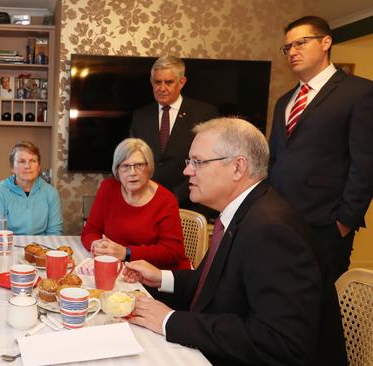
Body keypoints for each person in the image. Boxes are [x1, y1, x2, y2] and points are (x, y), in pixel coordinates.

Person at [124, 118, 347, 365]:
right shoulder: (245, 211)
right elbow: (215, 284)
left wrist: (169, 321)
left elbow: (280, 342)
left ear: (238, 168)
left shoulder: (271, 230)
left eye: (197, 162)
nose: (187, 170)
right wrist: (161, 277)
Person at [269, 15, 373, 283]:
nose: (292, 52)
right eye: (287, 47)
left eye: (300, 43)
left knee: (319, 310)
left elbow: (365, 164)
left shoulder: (359, 93)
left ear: (326, 42)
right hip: (279, 222)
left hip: (325, 227)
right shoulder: (284, 101)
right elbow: (276, 160)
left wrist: (343, 222)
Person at [81, 138, 190, 270]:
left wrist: (126, 253)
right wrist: (96, 245)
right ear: (117, 170)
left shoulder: (166, 199)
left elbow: (172, 252)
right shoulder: (108, 189)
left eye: (139, 165)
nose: (132, 172)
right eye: (125, 166)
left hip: (158, 275)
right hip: (122, 269)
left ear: (149, 168)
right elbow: (90, 231)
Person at [130, 55, 218, 215]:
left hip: (189, 204)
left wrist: (176, 196)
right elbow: (133, 160)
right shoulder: (140, 116)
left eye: (168, 82)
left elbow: (208, 161)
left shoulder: (204, 113)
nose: (162, 88)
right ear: (151, 82)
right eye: (157, 82)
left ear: (182, 82)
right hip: (148, 203)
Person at [0, 141, 63, 235]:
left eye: (33, 161)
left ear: (39, 167)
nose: (28, 166)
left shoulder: (51, 193)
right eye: (22, 161)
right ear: (12, 168)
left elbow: (54, 233)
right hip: (9, 246)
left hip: (40, 247)